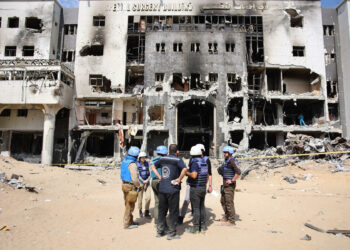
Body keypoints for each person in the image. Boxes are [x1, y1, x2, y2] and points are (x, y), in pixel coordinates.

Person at [151, 144, 187, 240]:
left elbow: (153, 167)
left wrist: (159, 177)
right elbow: (185, 169)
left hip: (162, 188)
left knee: (162, 210)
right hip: (173, 189)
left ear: (168, 151)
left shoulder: (162, 159)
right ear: (177, 151)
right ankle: (171, 233)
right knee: (173, 211)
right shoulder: (178, 160)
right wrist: (179, 179)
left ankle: (160, 231)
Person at [186, 145, 209, 234]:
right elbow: (207, 175)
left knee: (196, 208)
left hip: (195, 188)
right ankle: (202, 226)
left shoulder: (194, 162)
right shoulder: (204, 162)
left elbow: (194, 175)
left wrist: (186, 173)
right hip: (203, 187)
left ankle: (195, 228)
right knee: (202, 207)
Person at [219, 146, 241, 226]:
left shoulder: (232, 161)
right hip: (224, 184)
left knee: (229, 202)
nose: (224, 154)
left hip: (229, 186)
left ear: (229, 153)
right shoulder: (227, 160)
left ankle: (232, 221)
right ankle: (226, 216)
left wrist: (232, 180)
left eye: (225, 152)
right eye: (224, 152)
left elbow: (238, 172)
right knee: (223, 201)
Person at [120, 146, 140, 229]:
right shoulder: (132, 164)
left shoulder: (124, 161)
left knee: (127, 203)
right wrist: (138, 185)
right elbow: (134, 178)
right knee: (130, 205)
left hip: (124, 185)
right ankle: (127, 224)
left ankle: (130, 221)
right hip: (130, 186)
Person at [150, 145, 168, 225]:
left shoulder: (152, 160)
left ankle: (157, 220)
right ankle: (162, 222)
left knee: (157, 201)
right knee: (163, 203)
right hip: (161, 181)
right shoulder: (164, 160)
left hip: (153, 181)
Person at [137, 152, 151, 219]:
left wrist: (147, 181)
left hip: (147, 182)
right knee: (140, 198)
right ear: (139, 158)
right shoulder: (137, 164)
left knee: (148, 197)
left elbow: (150, 174)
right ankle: (140, 210)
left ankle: (146, 211)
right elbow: (138, 175)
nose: (144, 158)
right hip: (140, 182)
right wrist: (143, 181)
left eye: (144, 157)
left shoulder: (147, 163)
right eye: (142, 157)